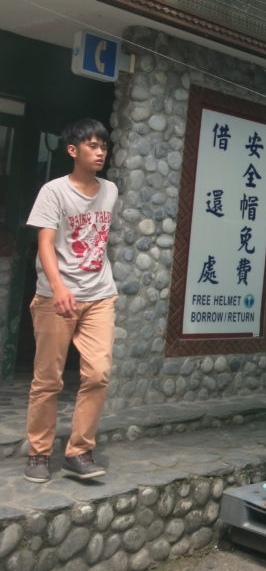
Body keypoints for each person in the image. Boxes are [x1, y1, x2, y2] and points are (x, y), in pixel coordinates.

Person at [23, 118, 118, 483]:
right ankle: (38, 452)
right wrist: (59, 286)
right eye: (92, 146)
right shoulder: (54, 192)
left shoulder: (109, 191)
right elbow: (45, 243)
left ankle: (79, 452)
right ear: (72, 151)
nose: (99, 152)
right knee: (48, 380)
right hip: (55, 297)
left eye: (104, 147)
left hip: (99, 295)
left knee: (98, 373)